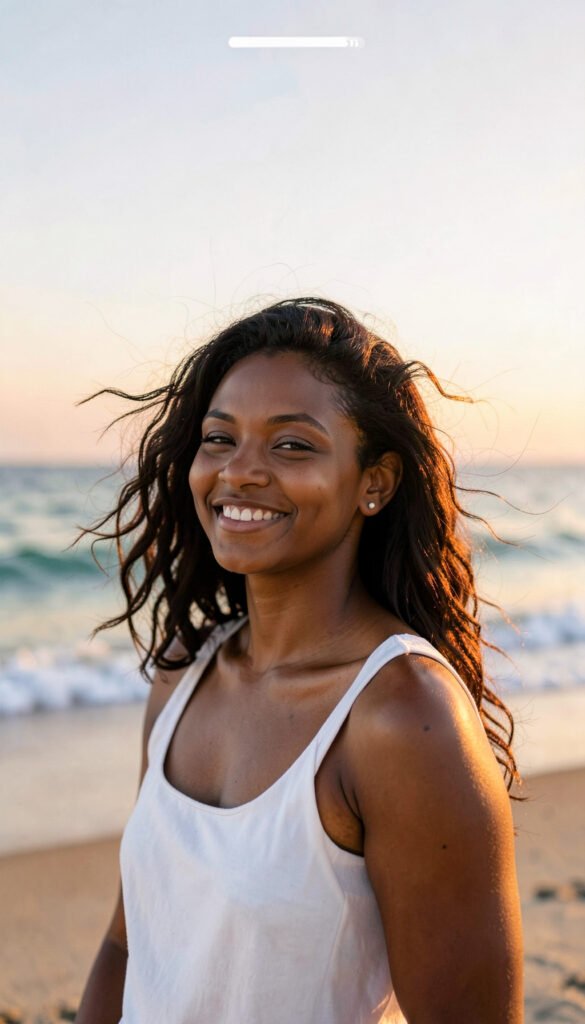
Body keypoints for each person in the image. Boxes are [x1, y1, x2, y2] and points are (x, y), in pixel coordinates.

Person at [75, 297, 524, 1023]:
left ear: (373, 482)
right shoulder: (185, 672)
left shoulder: (404, 719)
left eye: (291, 446)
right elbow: (131, 945)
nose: (240, 472)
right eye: (219, 439)